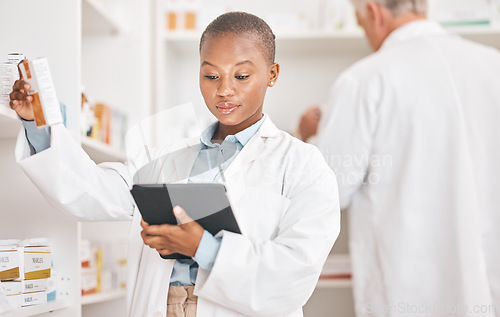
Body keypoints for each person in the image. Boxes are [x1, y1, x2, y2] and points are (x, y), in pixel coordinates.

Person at [10, 12, 340, 317]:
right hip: (160, 305)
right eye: (211, 75)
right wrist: (36, 125)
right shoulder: (162, 157)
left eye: (241, 75)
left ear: (272, 74)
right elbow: (91, 191)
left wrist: (203, 248)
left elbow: (297, 272)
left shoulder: (302, 165)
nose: (224, 90)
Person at [298, 0, 500, 316]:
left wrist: (311, 135)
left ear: (373, 12)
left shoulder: (365, 80)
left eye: (360, 20)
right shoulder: (494, 65)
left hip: (411, 290)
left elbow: (331, 190)